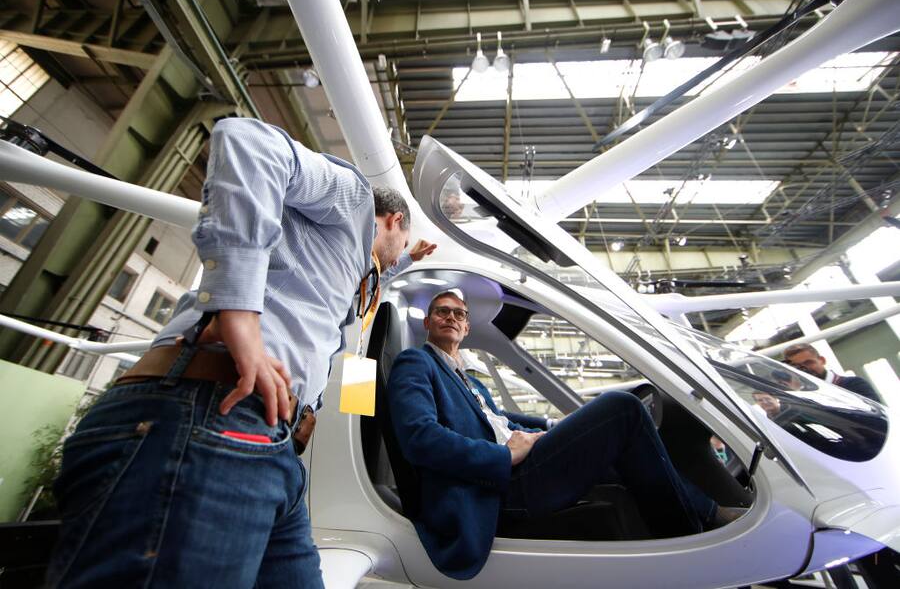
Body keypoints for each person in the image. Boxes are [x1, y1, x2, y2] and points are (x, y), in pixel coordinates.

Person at [47, 117, 435, 588]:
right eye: (398, 246)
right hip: (216, 412)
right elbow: (249, 141)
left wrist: (407, 260)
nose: (392, 260)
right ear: (394, 220)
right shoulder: (353, 199)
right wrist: (239, 309)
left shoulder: (346, 262)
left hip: (272, 447)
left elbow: (366, 280)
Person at [386, 290, 743, 580]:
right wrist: (504, 456)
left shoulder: (469, 380)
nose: (451, 317)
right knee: (622, 408)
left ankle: (704, 515)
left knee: (620, 453)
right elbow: (420, 438)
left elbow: (501, 422)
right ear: (428, 322)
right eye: (442, 311)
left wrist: (555, 428)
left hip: (512, 469)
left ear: (466, 328)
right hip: (496, 485)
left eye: (459, 314)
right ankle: (694, 543)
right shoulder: (416, 362)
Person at [783, 343, 881, 403]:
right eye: (798, 367)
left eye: (809, 363)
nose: (805, 369)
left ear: (822, 360)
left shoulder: (854, 384)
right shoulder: (801, 394)